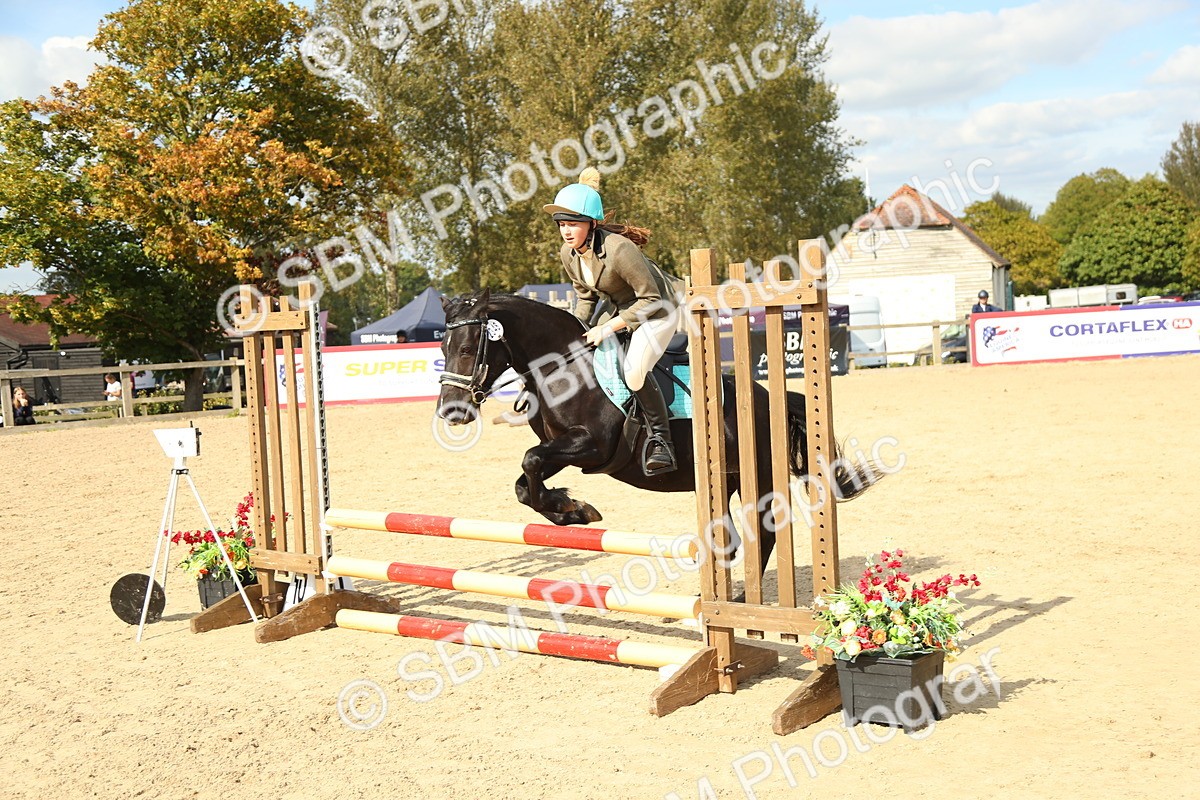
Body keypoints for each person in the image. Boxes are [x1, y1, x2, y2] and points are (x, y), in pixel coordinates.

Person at [544, 167, 681, 475]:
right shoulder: (568, 254)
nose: (566, 231)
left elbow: (651, 300)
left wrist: (607, 327)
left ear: (591, 224)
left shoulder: (620, 249)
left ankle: (662, 441)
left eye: (573, 224)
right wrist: (572, 333)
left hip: (659, 311)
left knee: (633, 373)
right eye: (562, 224)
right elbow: (586, 299)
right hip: (620, 307)